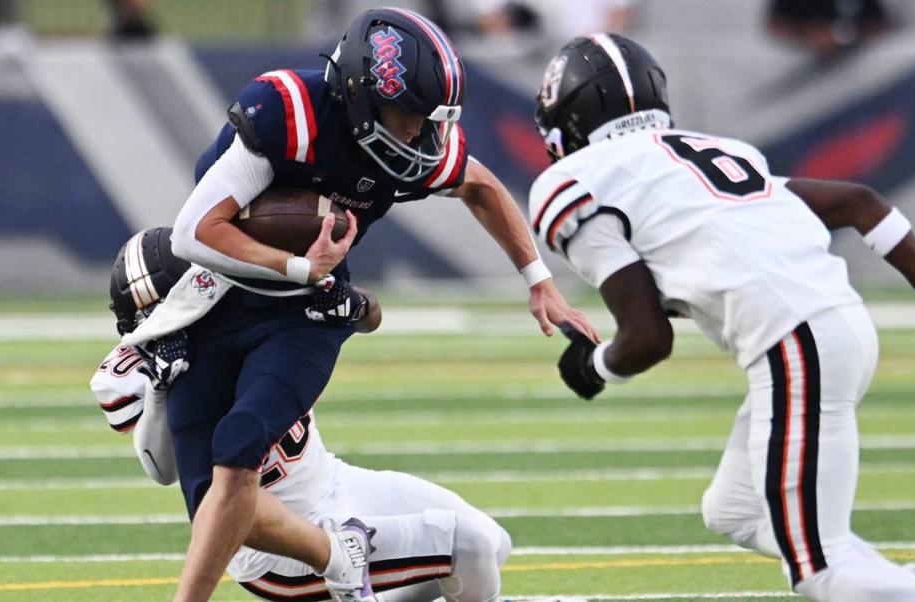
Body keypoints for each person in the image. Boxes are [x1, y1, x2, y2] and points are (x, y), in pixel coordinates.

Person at [165, 7, 597, 601]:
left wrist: (538, 278)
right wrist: (293, 262)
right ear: (358, 96)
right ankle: (333, 556)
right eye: (410, 117)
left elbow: (480, 184)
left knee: (239, 447)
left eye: (430, 120)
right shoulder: (288, 112)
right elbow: (190, 233)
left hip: (308, 312)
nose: (421, 136)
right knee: (206, 489)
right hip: (223, 298)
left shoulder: (411, 146)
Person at [529, 33, 915, 601]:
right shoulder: (715, 153)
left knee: (820, 570)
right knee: (735, 511)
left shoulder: (569, 183)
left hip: (798, 341)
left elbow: (646, 338)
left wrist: (592, 367)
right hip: (832, 330)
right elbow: (860, 203)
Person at [92, 227, 512, 602]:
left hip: (333, 479)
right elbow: (163, 471)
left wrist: (342, 297)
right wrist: (163, 388)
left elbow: (366, 314)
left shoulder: (253, 303)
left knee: (495, 543)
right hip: (273, 548)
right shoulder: (147, 366)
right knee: (469, 544)